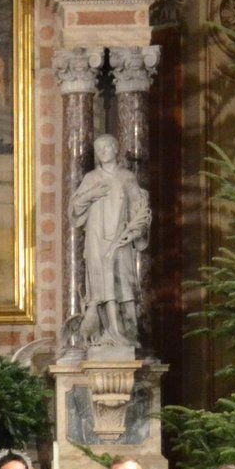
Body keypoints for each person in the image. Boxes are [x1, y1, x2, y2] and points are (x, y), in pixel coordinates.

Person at [68, 133, 152, 344]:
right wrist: (92, 194)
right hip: (96, 239)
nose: (103, 152)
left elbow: (139, 209)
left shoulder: (126, 177)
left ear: (116, 149)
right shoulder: (91, 178)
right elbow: (75, 207)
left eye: (107, 147)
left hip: (119, 238)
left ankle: (127, 333)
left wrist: (136, 231)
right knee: (101, 286)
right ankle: (107, 332)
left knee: (123, 282)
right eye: (99, 149)